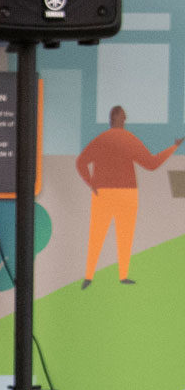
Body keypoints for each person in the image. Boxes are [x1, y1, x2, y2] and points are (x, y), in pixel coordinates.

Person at [76, 105, 180, 288]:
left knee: (97, 234)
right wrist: (173, 147)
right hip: (127, 193)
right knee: (125, 235)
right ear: (121, 120)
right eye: (124, 118)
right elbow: (151, 163)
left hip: (103, 193)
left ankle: (89, 276)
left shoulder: (101, 140)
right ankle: (122, 275)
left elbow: (81, 162)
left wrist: (91, 183)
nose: (124, 120)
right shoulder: (128, 139)